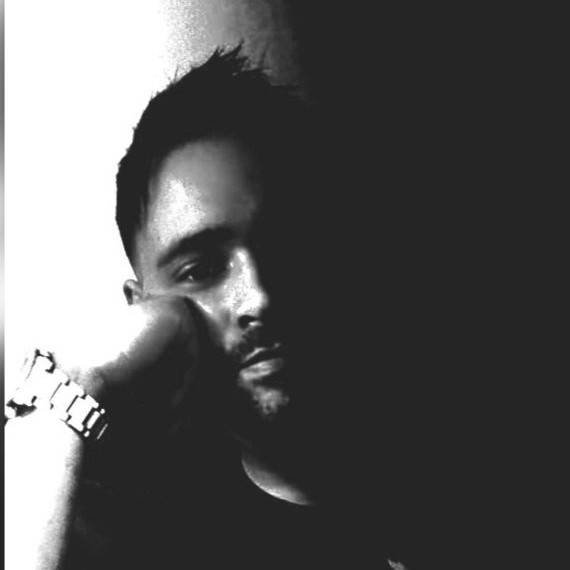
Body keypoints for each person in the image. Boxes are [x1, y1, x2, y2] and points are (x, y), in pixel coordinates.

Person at [5, 47, 410, 569]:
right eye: (201, 269)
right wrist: (77, 380)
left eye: (284, 244)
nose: (260, 296)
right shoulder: (140, 540)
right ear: (143, 308)